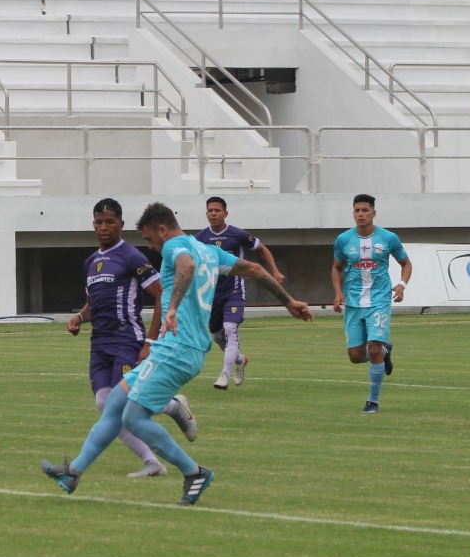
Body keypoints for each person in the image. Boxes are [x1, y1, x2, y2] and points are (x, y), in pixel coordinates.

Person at [42, 202, 312, 505]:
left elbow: (186, 267)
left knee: (133, 418)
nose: (151, 246)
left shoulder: (173, 246)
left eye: (148, 239)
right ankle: (73, 472)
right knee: (115, 402)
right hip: (176, 348)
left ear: (161, 229)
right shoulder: (208, 250)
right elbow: (255, 268)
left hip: (179, 349)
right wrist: (288, 302)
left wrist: (171, 308)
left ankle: (194, 471)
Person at [66, 198, 199, 479]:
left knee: (122, 403)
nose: (104, 227)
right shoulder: (91, 262)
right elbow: (93, 304)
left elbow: (161, 293)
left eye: (110, 222)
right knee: (104, 404)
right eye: (99, 222)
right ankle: (159, 442)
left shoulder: (131, 256)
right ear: (93, 225)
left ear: (121, 224)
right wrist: (79, 316)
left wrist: (149, 342)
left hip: (127, 340)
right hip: (99, 344)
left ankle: (164, 428)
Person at [194, 196, 286, 390]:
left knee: (230, 328)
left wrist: (275, 271)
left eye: (217, 210)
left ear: (225, 213)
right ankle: (240, 360)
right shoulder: (199, 238)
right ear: (206, 214)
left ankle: (224, 375)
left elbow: (262, 249)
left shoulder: (237, 234)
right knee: (218, 337)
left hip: (234, 291)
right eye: (210, 210)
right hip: (211, 295)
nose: (213, 213)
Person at [331, 194, 411, 414]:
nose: (360, 214)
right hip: (354, 302)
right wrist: (338, 293)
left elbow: (406, 263)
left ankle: (372, 402)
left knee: (373, 347)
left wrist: (402, 284)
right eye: (357, 210)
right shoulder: (344, 240)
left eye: (365, 210)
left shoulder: (388, 238)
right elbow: (336, 268)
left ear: (373, 213)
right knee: (356, 357)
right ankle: (385, 351)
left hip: (379, 300)